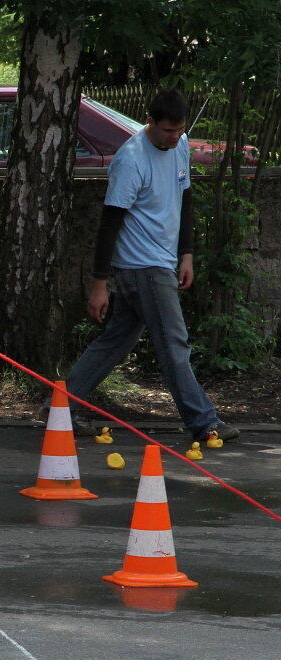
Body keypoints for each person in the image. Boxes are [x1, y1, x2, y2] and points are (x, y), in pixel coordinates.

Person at [61, 90, 238, 443]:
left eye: (179, 130)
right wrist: (99, 284)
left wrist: (186, 253)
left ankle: (59, 410)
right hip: (142, 267)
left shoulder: (181, 145)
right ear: (150, 121)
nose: (173, 138)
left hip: (162, 261)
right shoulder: (131, 159)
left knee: (114, 343)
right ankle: (204, 423)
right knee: (174, 345)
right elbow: (109, 223)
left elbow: (184, 195)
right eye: (166, 131)